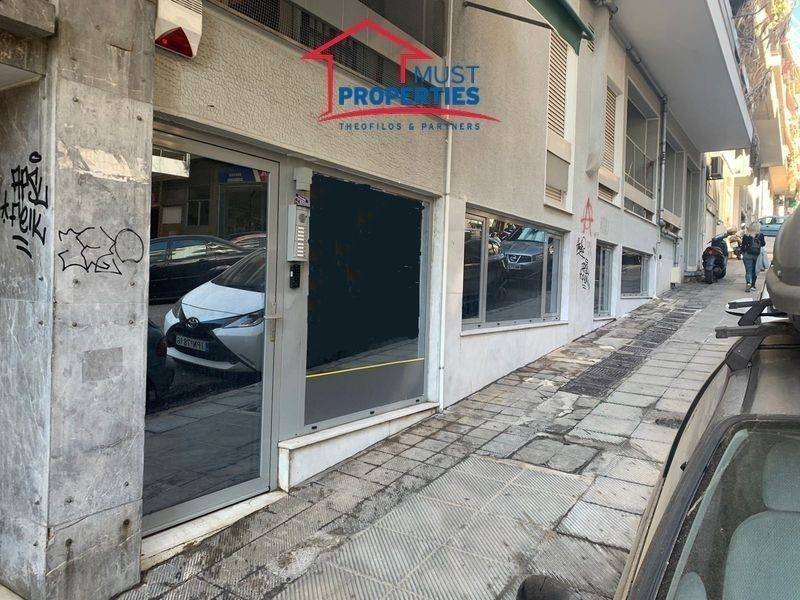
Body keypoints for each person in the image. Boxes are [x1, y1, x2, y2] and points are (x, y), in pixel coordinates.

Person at [741, 220, 766, 292]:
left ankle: (748, 283)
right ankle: (753, 286)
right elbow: (763, 244)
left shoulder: (746, 235)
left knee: (748, 271)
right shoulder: (760, 235)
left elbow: (743, 246)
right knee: (755, 271)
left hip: (747, 255)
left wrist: (743, 253)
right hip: (757, 255)